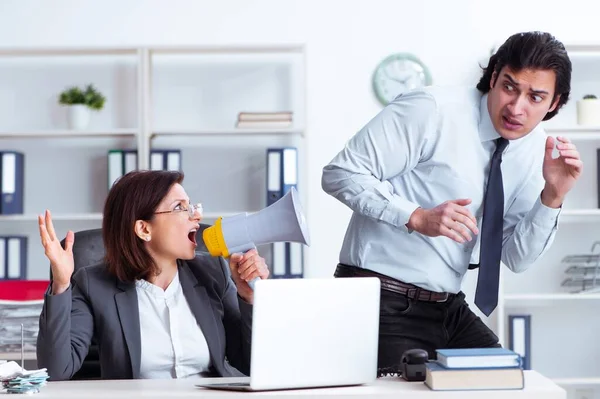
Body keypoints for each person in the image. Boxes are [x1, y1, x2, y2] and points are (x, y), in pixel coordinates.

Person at [321, 31, 582, 375]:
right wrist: (414, 216)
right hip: (381, 299)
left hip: (448, 307)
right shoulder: (432, 110)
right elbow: (340, 172)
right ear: (493, 77)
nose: (517, 108)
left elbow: (515, 258)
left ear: (554, 103)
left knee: (506, 381)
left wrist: (553, 196)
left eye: (535, 97)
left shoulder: (538, 152)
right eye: (509, 87)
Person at [36, 170, 269, 380]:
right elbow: (56, 371)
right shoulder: (92, 284)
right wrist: (61, 283)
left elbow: (251, 364)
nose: (196, 215)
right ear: (144, 229)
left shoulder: (213, 272)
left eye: (192, 206)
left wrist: (249, 297)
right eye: (180, 207)